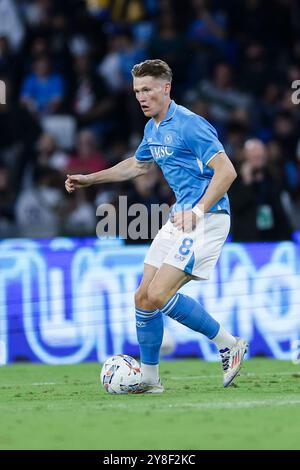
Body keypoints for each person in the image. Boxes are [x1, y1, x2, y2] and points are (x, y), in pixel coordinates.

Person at [65, 59, 248, 392]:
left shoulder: (191, 125)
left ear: (166, 88)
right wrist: (91, 179)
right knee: (143, 298)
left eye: (147, 89)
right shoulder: (153, 129)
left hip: (207, 217)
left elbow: (227, 172)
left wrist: (198, 210)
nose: (141, 97)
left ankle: (229, 343)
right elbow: (136, 166)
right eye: (137, 91)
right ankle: (150, 381)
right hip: (180, 217)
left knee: (160, 294)